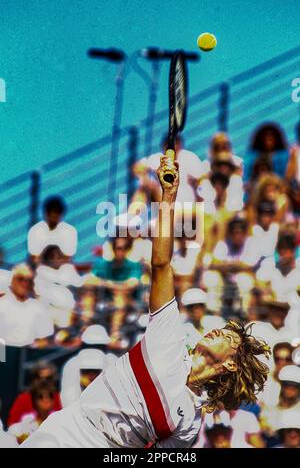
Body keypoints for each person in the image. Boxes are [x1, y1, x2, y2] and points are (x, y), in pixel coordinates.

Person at [21, 156, 270, 448]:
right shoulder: (171, 338)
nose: (216, 331)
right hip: (65, 432)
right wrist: (168, 196)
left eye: (227, 337)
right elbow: (162, 264)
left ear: (229, 364)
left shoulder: (190, 424)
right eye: (223, 329)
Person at [0, 264, 53, 347]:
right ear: (12, 280)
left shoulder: (40, 308)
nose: (25, 283)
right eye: (20, 279)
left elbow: (45, 339)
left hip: (29, 354)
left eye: (29, 280)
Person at [8, 361, 62, 427]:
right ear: (33, 379)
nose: (43, 382)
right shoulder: (23, 399)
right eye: (39, 377)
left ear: (53, 379)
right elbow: (12, 425)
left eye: (48, 378)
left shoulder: (60, 398)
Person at [27, 196, 77, 263]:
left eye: (57, 213)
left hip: (64, 269)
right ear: (45, 213)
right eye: (50, 213)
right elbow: (34, 258)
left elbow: (68, 258)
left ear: (61, 214)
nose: (53, 216)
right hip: (41, 269)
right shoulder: (35, 230)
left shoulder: (69, 231)